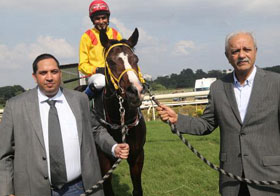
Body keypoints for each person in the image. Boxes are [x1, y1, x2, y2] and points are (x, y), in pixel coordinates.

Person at [157, 31, 280, 196]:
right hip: (232, 179)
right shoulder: (218, 87)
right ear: (227, 56)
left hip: (269, 177)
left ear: (255, 51)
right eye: (235, 51)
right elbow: (206, 124)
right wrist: (177, 119)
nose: (241, 55)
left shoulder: (276, 83)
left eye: (247, 49)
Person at [0, 53, 129, 196]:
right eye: (43, 73)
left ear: (60, 74)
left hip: (78, 187)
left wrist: (114, 146)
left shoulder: (80, 100)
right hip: (33, 190)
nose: (49, 77)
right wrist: (6, 191)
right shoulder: (15, 106)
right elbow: (4, 155)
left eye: (54, 72)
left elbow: (95, 129)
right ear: (34, 77)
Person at [78, 0, 122, 98]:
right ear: (93, 20)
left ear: (108, 18)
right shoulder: (86, 36)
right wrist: (97, 69)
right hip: (96, 76)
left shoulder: (116, 34)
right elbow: (82, 65)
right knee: (101, 82)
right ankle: (84, 100)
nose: (101, 21)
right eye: (97, 19)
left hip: (114, 74)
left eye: (104, 18)